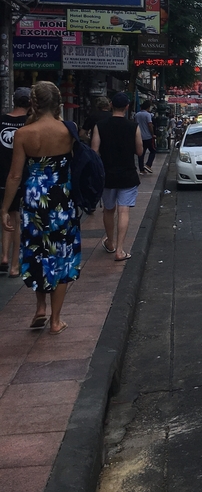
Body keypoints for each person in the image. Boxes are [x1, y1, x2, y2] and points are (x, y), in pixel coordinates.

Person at [1, 81, 81, 333]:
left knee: (38, 252)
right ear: (57, 103)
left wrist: (4, 208)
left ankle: (40, 308)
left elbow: (14, 176)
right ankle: (56, 320)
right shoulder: (68, 130)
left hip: (35, 199)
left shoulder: (24, 134)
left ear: (33, 103)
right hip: (61, 199)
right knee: (61, 255)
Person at [92, 92, 143, 263]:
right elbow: (140, 151)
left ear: (111, 105)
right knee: (124, 210)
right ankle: (120, 250)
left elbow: (94, 151)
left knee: (108, 209)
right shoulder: (133, 126)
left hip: (107, 175)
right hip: (128, 174)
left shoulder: (100, 125)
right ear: (127, 107)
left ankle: (110, 242)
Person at [0, 87, 31, 276]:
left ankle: (3, 255)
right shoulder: (29, 124)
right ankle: (14, 266)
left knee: (5, 216)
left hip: (1, 176)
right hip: (21, 176)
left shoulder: (1, 120)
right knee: (17, 220)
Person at [135, 100, 156, 174]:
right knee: (153, 151)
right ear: (148, 107)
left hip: (139, 136)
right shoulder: (148, 115)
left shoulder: (137, 114)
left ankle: (141, 170)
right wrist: (152, 134)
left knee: (141, 153)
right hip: (148, 137)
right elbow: (150, 125)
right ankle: (148, 164)